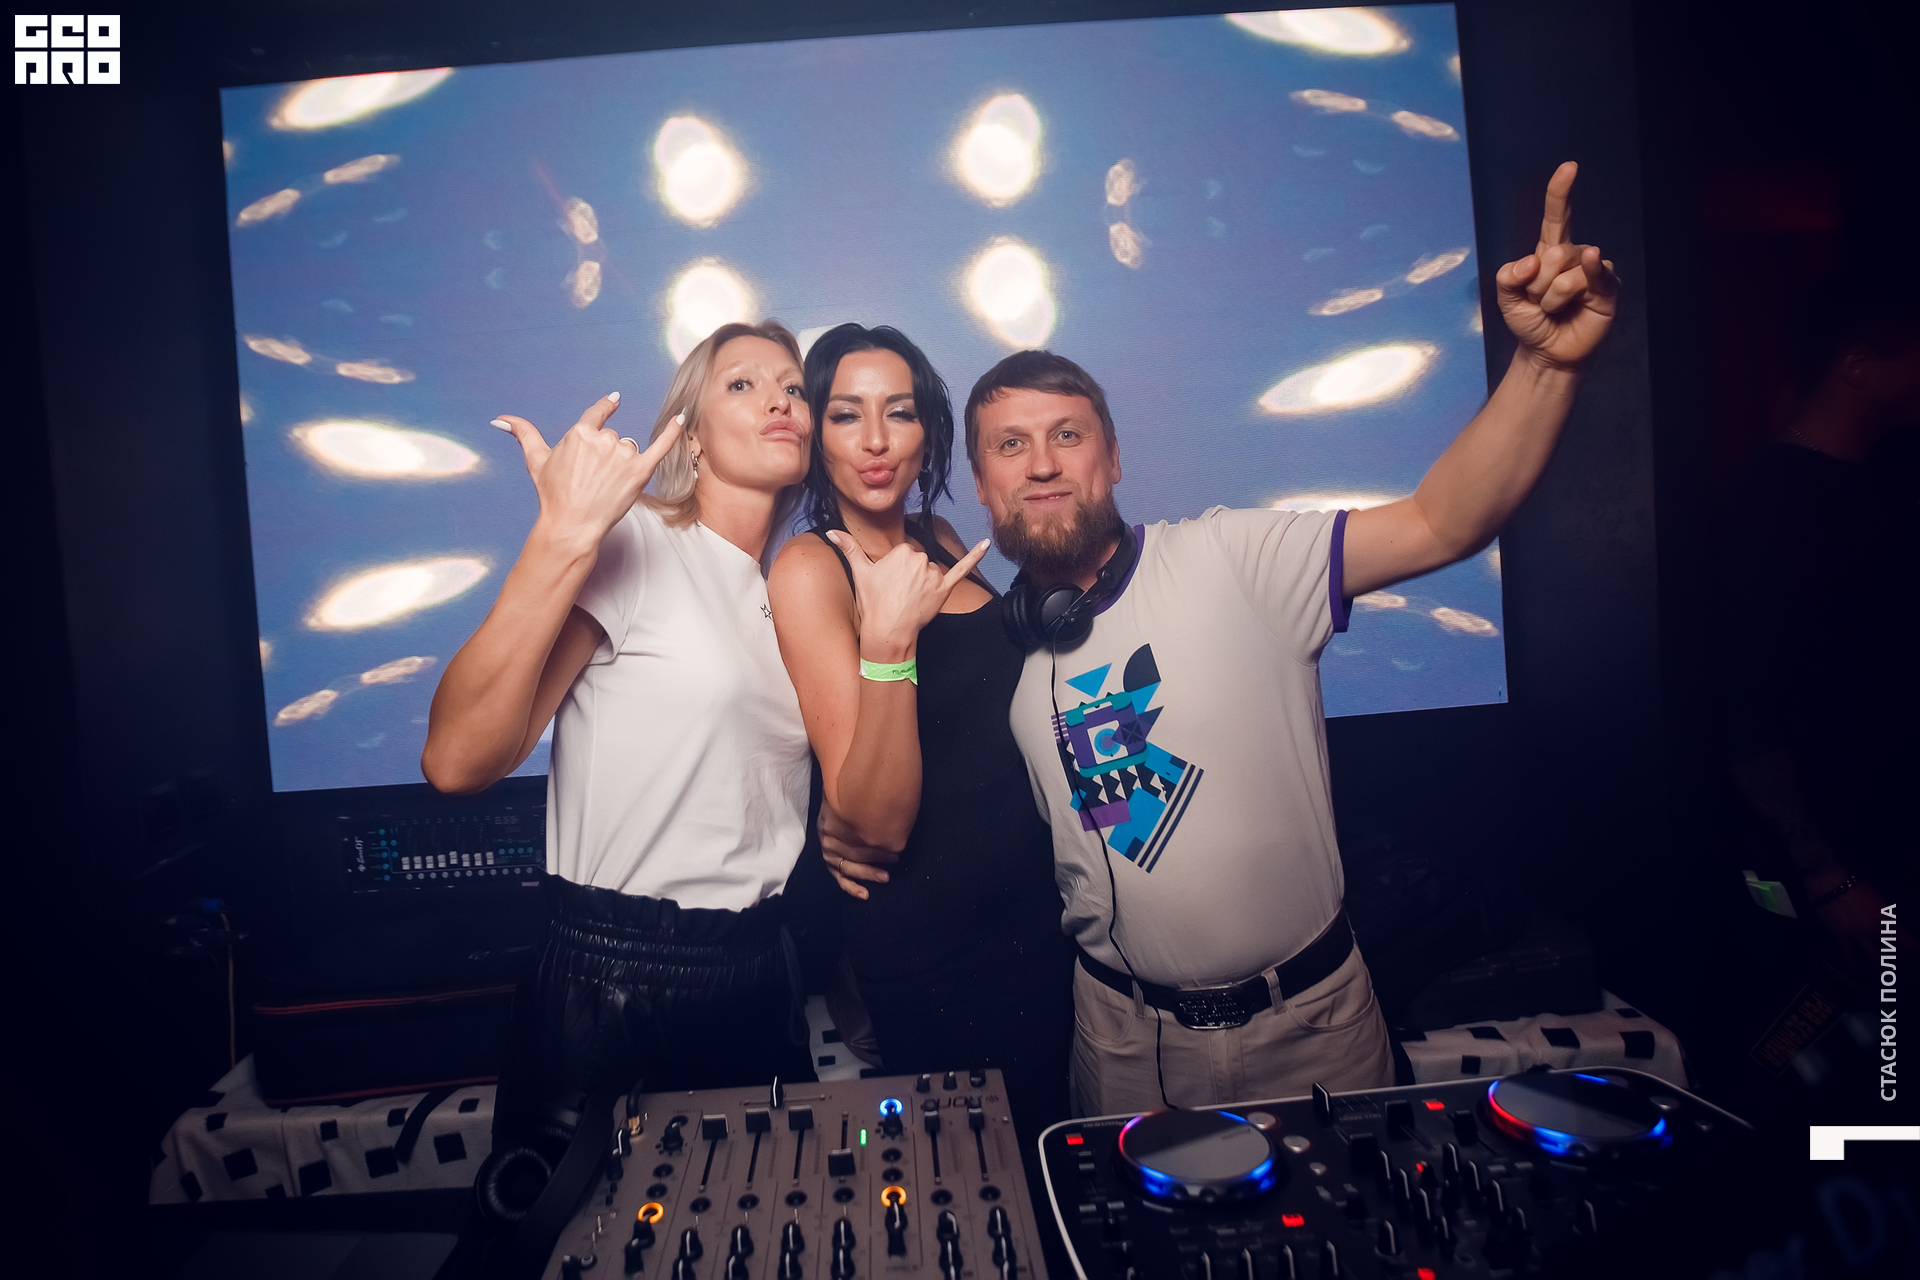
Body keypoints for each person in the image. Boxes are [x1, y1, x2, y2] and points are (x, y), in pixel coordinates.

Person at [827, 162, 1621, 1117]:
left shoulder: (1236, 558)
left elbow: (1440, 522)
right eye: (1010, 446)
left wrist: (1546, 367)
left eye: (1067, 436)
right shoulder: (1012, 650)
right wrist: (835, 831)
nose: (1041, 465)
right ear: (984, 488)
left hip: (1311, 1027)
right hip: (1117, 1042)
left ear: (1114, 458)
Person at [421, 321, 817, 1137]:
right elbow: (458, 761)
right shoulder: (637, 540)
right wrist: (562, 537)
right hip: (616, 987)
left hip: (760, 971)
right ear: (692, 436)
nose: (780, 399)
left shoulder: (793, 592)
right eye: (743, 384)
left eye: (794, 387)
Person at [766, 323, 1077, 1138]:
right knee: (979, 1189)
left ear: (928, 432)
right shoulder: (809, 570)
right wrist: (890, 642)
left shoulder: (938, 537)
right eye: (846, 415)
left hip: (1038, 923)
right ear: (817, 436)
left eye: (899, 413)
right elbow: (873, 822)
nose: (876, 441)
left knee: (1065, 1173)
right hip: (938, 952)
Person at [1714, 277, 1919, 981]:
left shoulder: (1880, 482)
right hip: (1832, 871)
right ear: (1858, 367)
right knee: (1866, 1035)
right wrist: (1826, 874)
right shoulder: (1775, 503)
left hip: (1883, 842)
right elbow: (1742, 706)